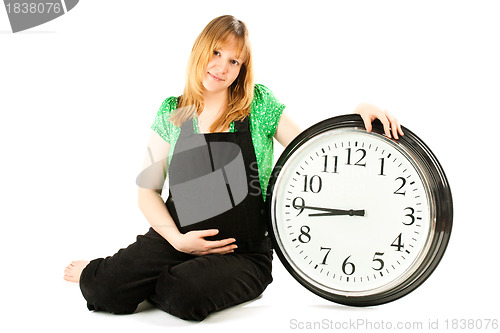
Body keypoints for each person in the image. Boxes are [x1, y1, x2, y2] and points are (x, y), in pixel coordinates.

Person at [63, 15, 404, 321]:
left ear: (242, 68)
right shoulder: (174, 112)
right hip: (174, 239)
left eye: (233, 60)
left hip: (242, 253)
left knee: (185, 295)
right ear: (199, 50)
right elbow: (147, 191)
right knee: (102, 290)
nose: (221, 67)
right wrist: (179, 242)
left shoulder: (258, 105)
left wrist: (357, 112)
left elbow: (311, 147)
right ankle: (120, 273)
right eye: (215, 53)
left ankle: (164, 279)